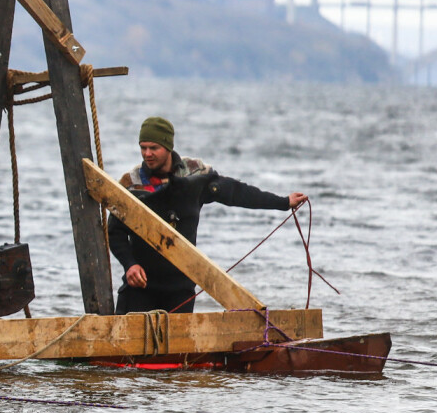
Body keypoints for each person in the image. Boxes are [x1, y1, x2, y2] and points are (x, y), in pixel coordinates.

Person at [108, 116, 306, 314]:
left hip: (180, 288)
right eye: (143, 148)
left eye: (153, 148)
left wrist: (283, 202)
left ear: (168, 146)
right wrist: (129, 264)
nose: (147, 154)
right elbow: (115, 231)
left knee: (181, 345)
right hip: (140, 287)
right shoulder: (130, 183)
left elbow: (236, 193)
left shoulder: (195, 174)